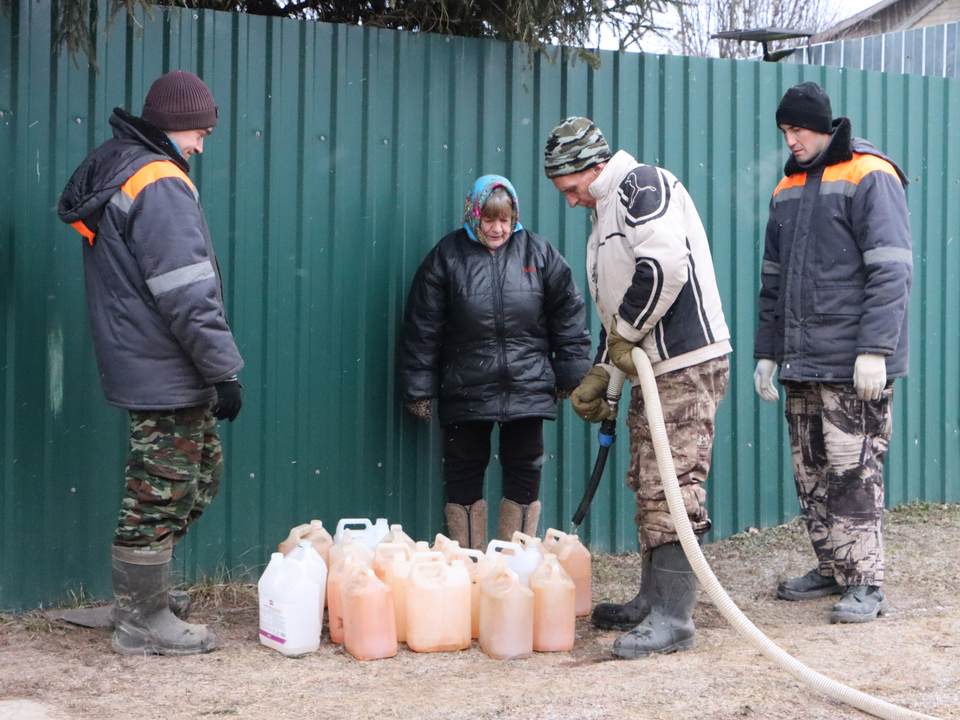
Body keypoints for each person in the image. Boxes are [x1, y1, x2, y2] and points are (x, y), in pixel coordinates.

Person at [58, 71, 244, 655]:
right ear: (173, 126)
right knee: (160, 489)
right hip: (166, 363)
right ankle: (140, 619)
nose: (201, 145)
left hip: (158, 361)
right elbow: (187, 291)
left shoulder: (135, 170)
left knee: (200, 475)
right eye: (198, 131)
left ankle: (144, 592)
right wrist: (223, 370)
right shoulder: (158, 182)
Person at [544, 117, 731, 659]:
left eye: (572, 189)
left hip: (684, 363)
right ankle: (651, 602)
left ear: (592, 167)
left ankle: (675, 619)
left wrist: (620, 343)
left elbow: (666, 264)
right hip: (654, 364)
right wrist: (605, 372)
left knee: (672, 486)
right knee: (649, 481)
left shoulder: (638, 185)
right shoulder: (607, 209)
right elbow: (620, 307)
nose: (572, 201)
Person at [754, 82, 911, 624]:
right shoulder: (787, 186)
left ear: (822, 126)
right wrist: (768, 352)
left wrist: (876, 350)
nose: (789, 139)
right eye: (783, 131)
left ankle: (866, 582)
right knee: (812, 470)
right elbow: (773, 278)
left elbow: (891, 268)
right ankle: (833, 567)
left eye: (796, 129)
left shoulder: (870, 174)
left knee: (854, 469)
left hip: (853, 363)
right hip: (801, 358)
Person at [397, 175, 591, 551]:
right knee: (464, 469)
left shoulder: (539, 253)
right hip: (466, 386)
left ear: (514, 215)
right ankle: (468, 561)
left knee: (525, 469)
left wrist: (570, 372)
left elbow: (568, 313)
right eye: (489, 219)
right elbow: (422, 326)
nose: (498, 228)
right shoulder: (446, 257)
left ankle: (513, 560)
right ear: (474, 215)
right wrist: (418, 388)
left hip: (527, 385)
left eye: (505, 219)